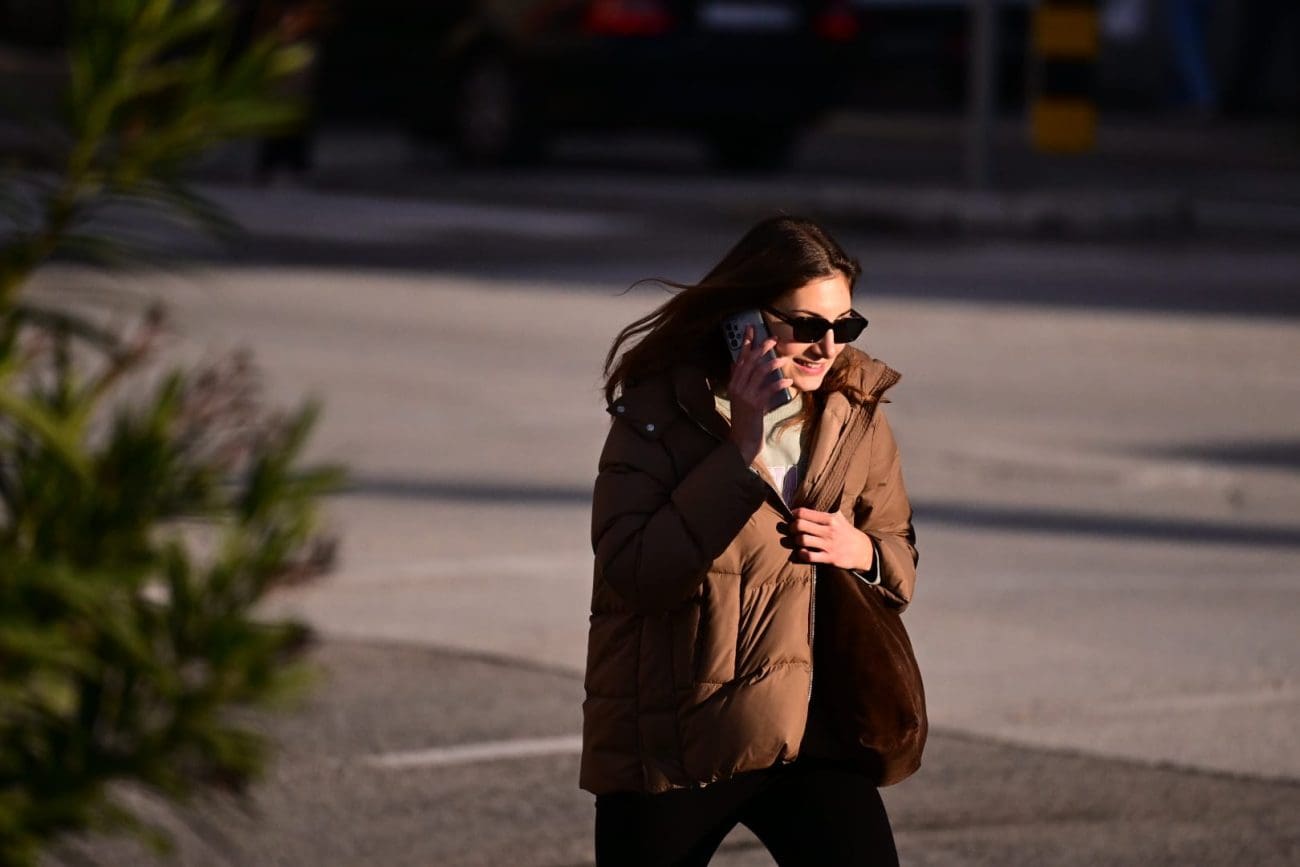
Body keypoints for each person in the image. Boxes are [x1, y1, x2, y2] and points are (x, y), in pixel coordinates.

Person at [581, 215, 918, 866]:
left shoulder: (853, 409)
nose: (827, 347)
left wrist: (864, 552)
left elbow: (899, 551)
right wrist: (741, 449)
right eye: (807, 326)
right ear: (744, 319)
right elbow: (633, 571)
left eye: (845, 326)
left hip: (809, 729)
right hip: (676, 739)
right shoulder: (660, 412)